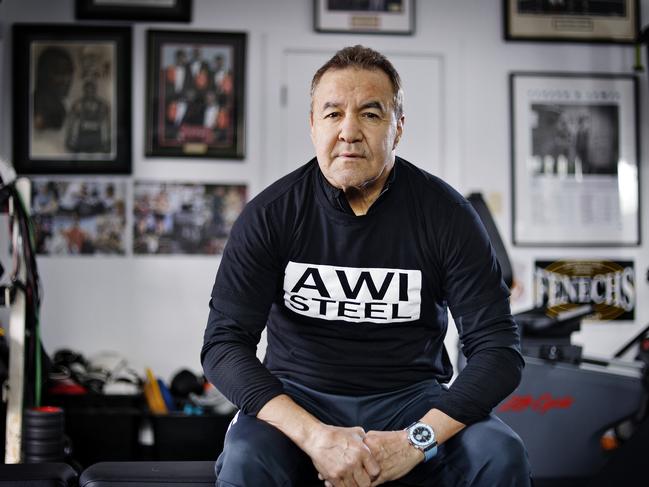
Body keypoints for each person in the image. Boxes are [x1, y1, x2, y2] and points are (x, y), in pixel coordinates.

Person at [202, 45, 531, 487]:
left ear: (398, 127)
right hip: (299, 400)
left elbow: (498, 350)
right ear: (313, 126)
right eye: (333, 114)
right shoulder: (271, 214)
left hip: (411, 400)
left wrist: (415, 441)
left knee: (499, 454)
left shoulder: (446, 215)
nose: (349, 131)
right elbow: (223, 345)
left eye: (371, 115)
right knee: (246, 462)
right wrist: (315, 437)